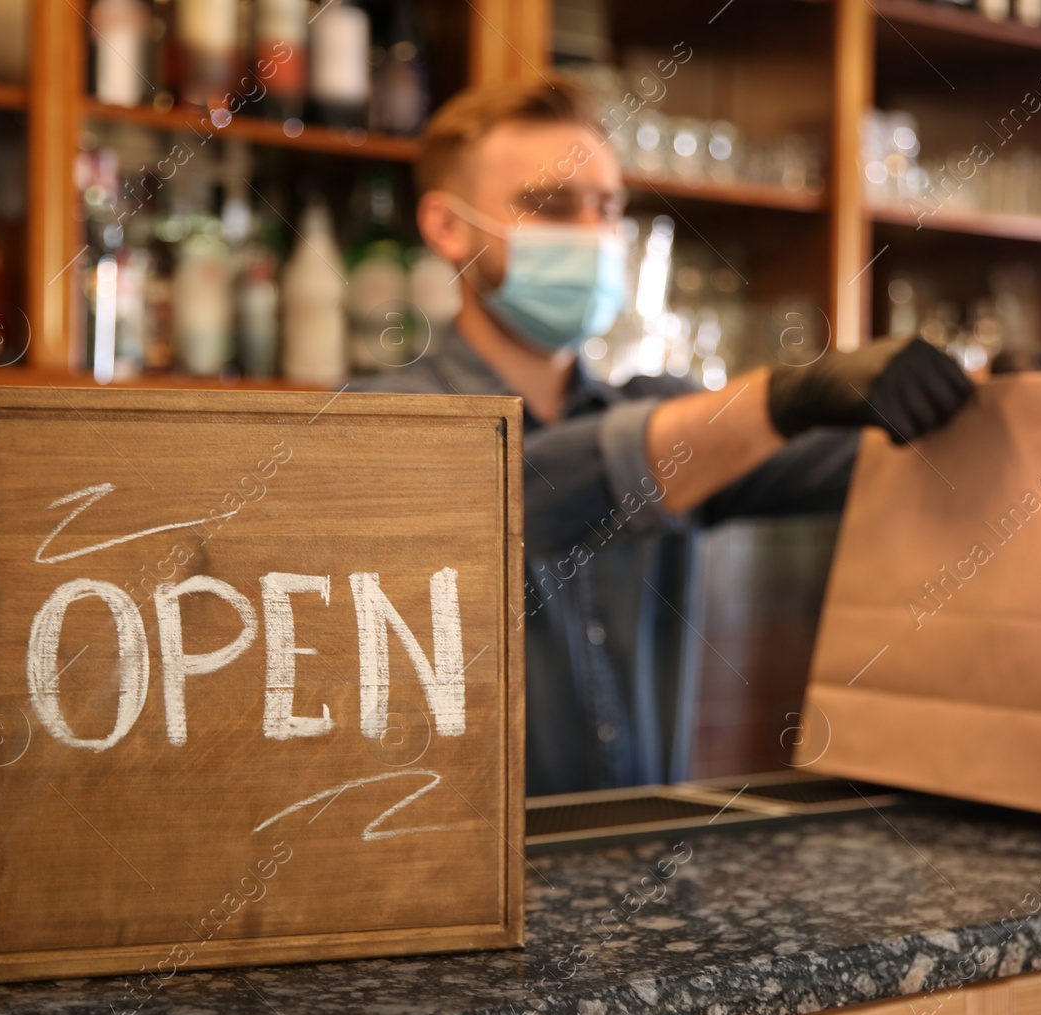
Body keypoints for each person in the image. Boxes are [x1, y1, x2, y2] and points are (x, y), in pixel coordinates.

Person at [350, 78, 973, 796]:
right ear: (447, 227)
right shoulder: (383, 422)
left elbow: (860, 461)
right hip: (460, 889)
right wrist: (777, 398)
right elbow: (520, 483)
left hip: (649, 873)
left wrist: (1008, 399)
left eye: (608, 209)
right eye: (551, 207)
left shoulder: (663, 413)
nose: (591, 235)